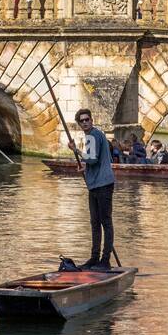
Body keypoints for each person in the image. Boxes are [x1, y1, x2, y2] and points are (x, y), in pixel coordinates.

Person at [69, 108, 116, 270]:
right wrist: (86, 169)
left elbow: (94, 159)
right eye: (82, 121)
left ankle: (105, 261)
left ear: (92, 120)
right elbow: (104, 158)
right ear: (79, 124)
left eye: (87, 119)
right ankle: (94, 258)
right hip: (96, 184)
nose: (85, 122)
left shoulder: (93, 136)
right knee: (95, 222)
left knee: (105, 222)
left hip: (103, 185)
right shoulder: (96, 135)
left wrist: (76, 151)